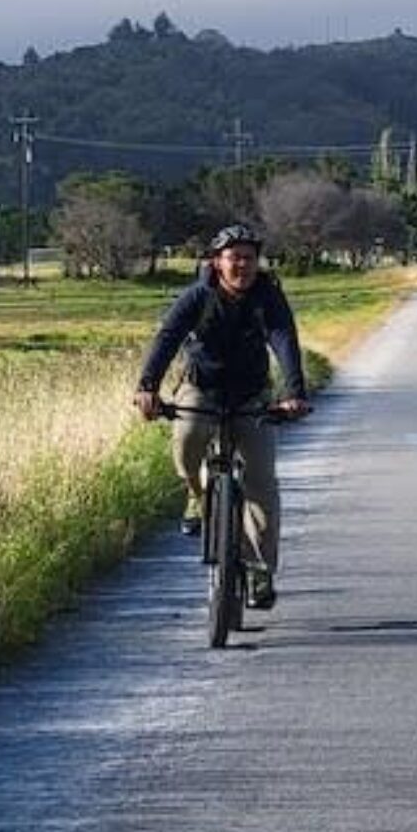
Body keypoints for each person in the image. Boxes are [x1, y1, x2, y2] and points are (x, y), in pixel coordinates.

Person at [133, 222, 311, 611]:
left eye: (249, 259)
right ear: (217, 262)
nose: (242, 266)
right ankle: (197, 495)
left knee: (261, 481)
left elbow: (284, 341)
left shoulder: (269, 298)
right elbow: (167, 337)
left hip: (251, 395)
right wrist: (147, 387)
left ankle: (260, 569)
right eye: (234, 258)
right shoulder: (198, 297)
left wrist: (294, 393)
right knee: (187, 440)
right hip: (202, 388)